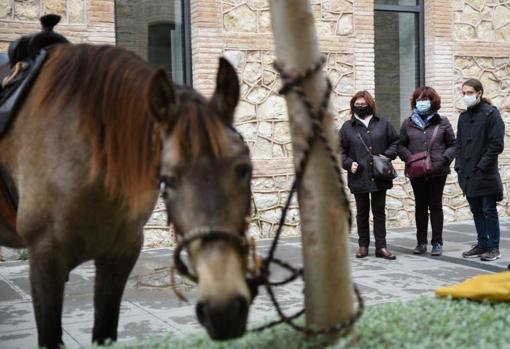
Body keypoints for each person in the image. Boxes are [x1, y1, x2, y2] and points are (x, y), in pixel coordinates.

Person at [340, 90, 399, 260]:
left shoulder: (383, 123)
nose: (359, 107)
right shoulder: (347, 127)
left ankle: (381, 247)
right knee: (362, 212)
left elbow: (396, 141)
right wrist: (348, 164)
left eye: (362, 104)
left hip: (379, 176)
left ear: (370, 105)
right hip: (359, 176)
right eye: (356, 105)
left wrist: (387, 155)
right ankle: (363, 246)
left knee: (379, 212)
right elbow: (339, 151)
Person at [398, 86, 456, 256]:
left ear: (433, 101)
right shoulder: (408, 123)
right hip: (417, 171)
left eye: (425, 99)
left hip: (438, 171)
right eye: (419, 99)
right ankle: (421, 242)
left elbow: (453, 144)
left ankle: (437, 242)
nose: (422, 102)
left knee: (436, 205)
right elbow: (400, 144)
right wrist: (409, 158)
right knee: (420, 206)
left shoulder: (443, 121)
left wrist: (444, 159)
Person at [456, 78, 504, 262]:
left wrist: (482, 165)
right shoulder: (463, 117)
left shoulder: (491, 114)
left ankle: (494, 247)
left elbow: (496, 144)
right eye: (464, 93)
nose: (466, 96)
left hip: (485, 173)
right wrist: (459, 167)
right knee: (476, 210)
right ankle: (482, 243)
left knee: (488, 210)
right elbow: (459, 144)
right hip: (467, 174)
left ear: (479, 93)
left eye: (469, 92)